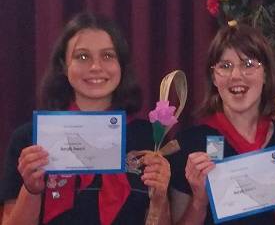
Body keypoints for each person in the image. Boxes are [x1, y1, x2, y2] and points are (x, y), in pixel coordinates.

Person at [0, 12, 171, 225]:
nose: (95, 67)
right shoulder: (30, 138)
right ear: (63, 65)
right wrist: (32, 190)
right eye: (82, 56)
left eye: (108, 56)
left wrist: (160, 197)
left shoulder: (149, 137)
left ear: (121, 65)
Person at [169, 23, 275, 225]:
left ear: (266, 74)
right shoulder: (189, 144)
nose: (236, 75)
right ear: (213, 77)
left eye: (248, 64)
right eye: (225, 66)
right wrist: (199, 201)